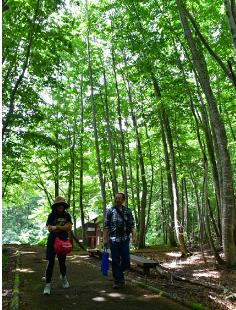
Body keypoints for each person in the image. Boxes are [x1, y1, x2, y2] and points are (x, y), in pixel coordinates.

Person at [103, 192, 135, 289]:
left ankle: (119, 274)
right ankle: (117, 280)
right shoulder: (110, 211)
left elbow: (132, 225)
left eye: (119, 198)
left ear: (123, 200)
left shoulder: (128, 211)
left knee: (126, 260)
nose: (117, 200)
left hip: (125, 239)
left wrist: (134, 236)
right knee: (115, 260)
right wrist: (105, 239)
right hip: (113, 240)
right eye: (116, 198)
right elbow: (106, 226)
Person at [43, 196, 73, 295]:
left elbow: (69, 227)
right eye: (58, 205)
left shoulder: (67, 215)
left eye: (62, 205)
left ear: (64, 206)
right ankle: (47, 285)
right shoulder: (51, 215)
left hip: (63, 241)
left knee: (62, 262)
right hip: (52, 241)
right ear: (55, 206)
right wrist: (62, 227)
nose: (60, 206)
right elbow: (50, 228)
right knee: (50, 263)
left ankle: (63, 277)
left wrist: (57, 227)